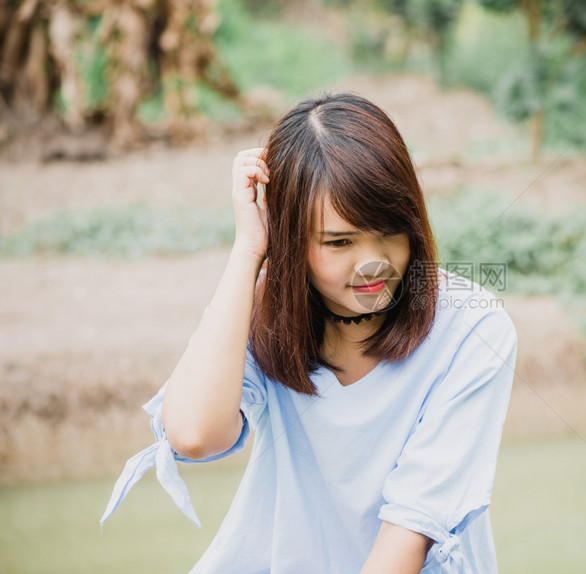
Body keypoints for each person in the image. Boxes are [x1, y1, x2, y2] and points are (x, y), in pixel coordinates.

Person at [100, 92, 518, 573]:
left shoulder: (471, 326)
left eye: (389, 232)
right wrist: (248, 251)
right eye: (339, 242)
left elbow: (411, 530)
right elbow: (195, 434)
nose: (373, 264)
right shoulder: (267, 313)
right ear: (290, 238)